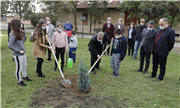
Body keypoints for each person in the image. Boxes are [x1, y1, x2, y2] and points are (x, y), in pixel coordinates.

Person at [148, 18, 175, 82]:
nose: (160, 25)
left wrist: (166, 50)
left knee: (162, 65)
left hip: (163, 52)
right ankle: (153, 74)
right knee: (154, 63)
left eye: (161, 24)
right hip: (155, 50)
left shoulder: (170, 31)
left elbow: (171, 43)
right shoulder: (158, 29)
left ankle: (160, 77)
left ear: (166, 23)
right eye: (159, 24)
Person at [8, 19, 32, 86]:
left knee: (25, 65)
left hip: (23, 53)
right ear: (17, 25)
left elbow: (23, 41)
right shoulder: (13, 34)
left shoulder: (19, 32)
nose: (21, 24)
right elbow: (10, 45)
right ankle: (19, 81)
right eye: (20, 23)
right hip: (18, 54)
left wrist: (23, 33)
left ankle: (24, 77)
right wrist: (19, 50)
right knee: (19, 67)